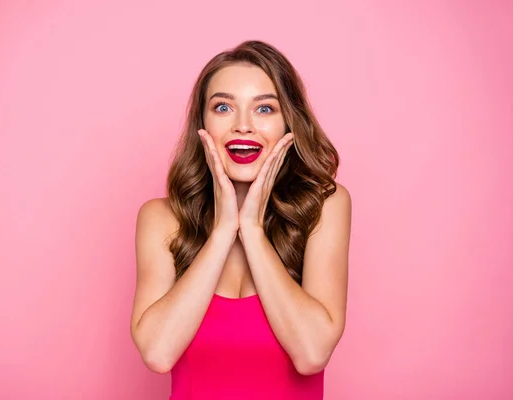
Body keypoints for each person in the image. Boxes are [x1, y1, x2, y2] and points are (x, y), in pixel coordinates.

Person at [130, 40, 352, 399]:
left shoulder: (325, 206)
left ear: (288, 123)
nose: (243, 126)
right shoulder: (160, 218)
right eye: (223, 107)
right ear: (202, 122)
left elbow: (312, 354)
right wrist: (222, 232)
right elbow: (157, 353)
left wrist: (252, 230)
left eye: (264, 109)